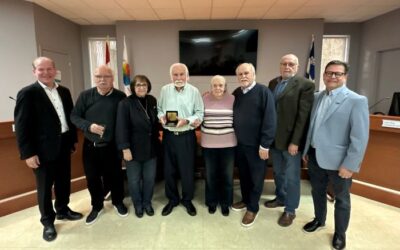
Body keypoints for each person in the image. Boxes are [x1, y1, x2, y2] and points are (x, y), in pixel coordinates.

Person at [302, 60, 369, 250]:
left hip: (340, 162)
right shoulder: (317, 97)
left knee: (342, 200)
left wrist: (350, 165)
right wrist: (307, 150)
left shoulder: (356, 101)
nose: (332, 77)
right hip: (315, 157)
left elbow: (360, 137)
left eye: (337, 74)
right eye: (329, 73)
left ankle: (340, 234)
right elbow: (313, 127)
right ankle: (319, 220)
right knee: (317, 192)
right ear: (323, 75)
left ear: (345, 77)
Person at [14, 57, 83, 242]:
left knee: (63, 182)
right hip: (41, 150)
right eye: (41, 69)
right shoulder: (28, 93)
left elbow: (70, 118)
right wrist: (27, 153)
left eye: (49, 69)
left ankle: (63, 209)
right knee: (44, 188)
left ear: (55, 70)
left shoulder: (65, 91)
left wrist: (73, 141)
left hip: (63, 146)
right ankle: (47, 222)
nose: (46, 73)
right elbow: (22, 126)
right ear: (34, 72)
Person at [70, 65, 128, 225]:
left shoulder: (120, 96)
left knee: (116, 176)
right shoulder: (85, 96)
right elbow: (74, 116)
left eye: (106, 76)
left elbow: (124, 120)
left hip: (111, 146)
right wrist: (89, 126)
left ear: (113, 78)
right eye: (98, 76)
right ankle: (96, 206)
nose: (102, 80)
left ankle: (118, 202)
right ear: (94, 78)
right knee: (92, 179)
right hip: (90, 146)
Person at [264, 54, 314, 227]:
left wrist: (296, 142)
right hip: (275, 140)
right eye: (284, 63)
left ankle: (290, 210)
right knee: (278, 172)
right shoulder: (273, 83)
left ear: (297, 66)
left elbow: (303, 116)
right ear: (280, 65)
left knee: (292, 177)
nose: (287, 66)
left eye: (291, 64)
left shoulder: (306, 85)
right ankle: (281, 198)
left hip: (291, 141)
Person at [231, 63, 276, 227]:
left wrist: (265, 145)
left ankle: (252, 208)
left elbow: (270, 120)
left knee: (256, 179)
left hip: (257, 147)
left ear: (254, 74)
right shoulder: (237, 93)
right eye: (240, 74)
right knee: (244, 176)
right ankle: (245, 200)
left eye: (246, 73)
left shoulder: (264, 92)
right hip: (240, 145)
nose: (243, 76)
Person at [157, 63, 204, 216]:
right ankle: (172, 200)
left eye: (181, 74)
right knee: (169, 170)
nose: (178, 78)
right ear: (171, 76)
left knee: (187, 170)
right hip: (169, 137)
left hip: (186, 136)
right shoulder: (164, 90)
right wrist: (161, 117)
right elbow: (159, 109)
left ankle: (187, 200)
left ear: (187, 76)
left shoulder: (194, 91)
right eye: (175, 75)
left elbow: (200, 113)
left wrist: (187, 120)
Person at [116, 75, 160, 218]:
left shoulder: (152, 100)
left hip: (151, 147)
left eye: (144, 85)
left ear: (148, 87)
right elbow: (121, 128)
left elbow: (156, 122)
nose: (142, 88)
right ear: (133, 87)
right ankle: (138, 205)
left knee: (149, 178)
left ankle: (147, 203)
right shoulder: (125, 103)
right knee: (134, 180)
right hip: (132, 149)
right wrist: (125, 148)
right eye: (139, 85)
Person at [201, 75, 237, 216]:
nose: (217, 88)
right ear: (211, 87)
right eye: (215, 85)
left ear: (225, 86)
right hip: (209, 145)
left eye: (220, 85)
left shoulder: (233, 99)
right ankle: (211, 202)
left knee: (227, 176)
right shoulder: (203, 99)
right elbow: (198, 116)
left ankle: (225, 203)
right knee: (210, 176)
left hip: (228, 144)